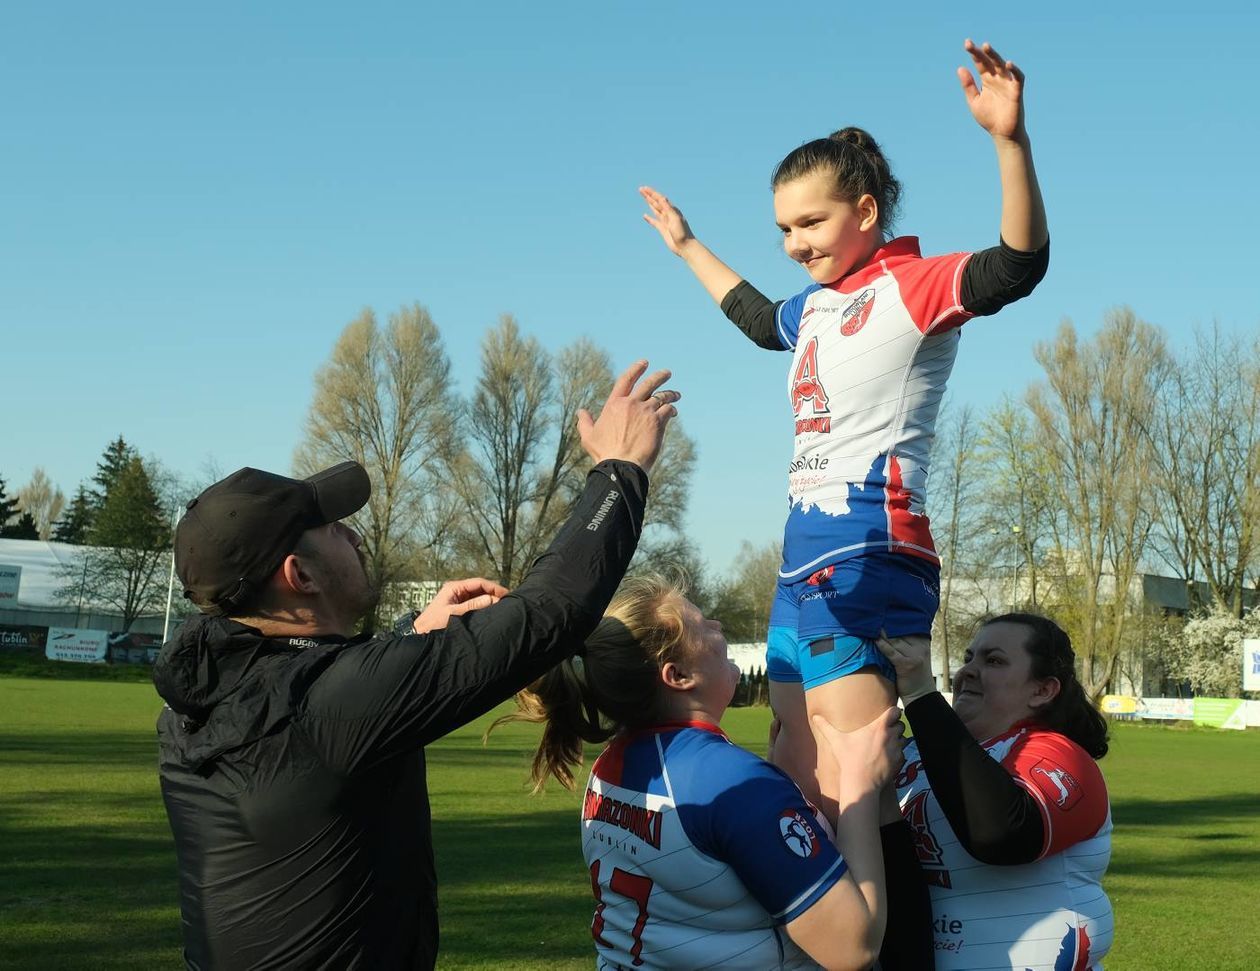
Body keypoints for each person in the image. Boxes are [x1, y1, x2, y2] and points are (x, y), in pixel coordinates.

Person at [640, 42, 1048, 964]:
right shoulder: (815, 307)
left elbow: (1021, 262)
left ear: (866, 211)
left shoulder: (914, 287)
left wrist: (1009, 142)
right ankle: (818, 936)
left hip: (873, 551)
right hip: (798, 556)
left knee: (855, 771)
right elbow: (755, 318)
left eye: (811, 222)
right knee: (794, 756)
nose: (795, 244)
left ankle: (887, 949)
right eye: (783, 229)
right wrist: (687, 245)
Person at [152, 361, 680, 971]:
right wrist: (621, 470)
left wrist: (409, 639)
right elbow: (550, 612)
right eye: (330, 528)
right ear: (299, 577)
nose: (352, 535)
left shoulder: (204, 694)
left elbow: (313, 695)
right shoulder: (330, 704)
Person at [497, 574, 905, 971]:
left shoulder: (610, 766)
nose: (718, 625)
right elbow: (853, 946)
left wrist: (775, 787)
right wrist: (860, 784)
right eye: (702, 624)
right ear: (678, 676)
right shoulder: (731, 781)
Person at [871, 615, 1114, 970]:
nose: (968, 670)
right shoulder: (911, 756)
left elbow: (1002, 834)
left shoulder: (1058, 754)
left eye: (994, 660)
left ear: (1043, 690)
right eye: (969, 657)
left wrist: (923, 695)